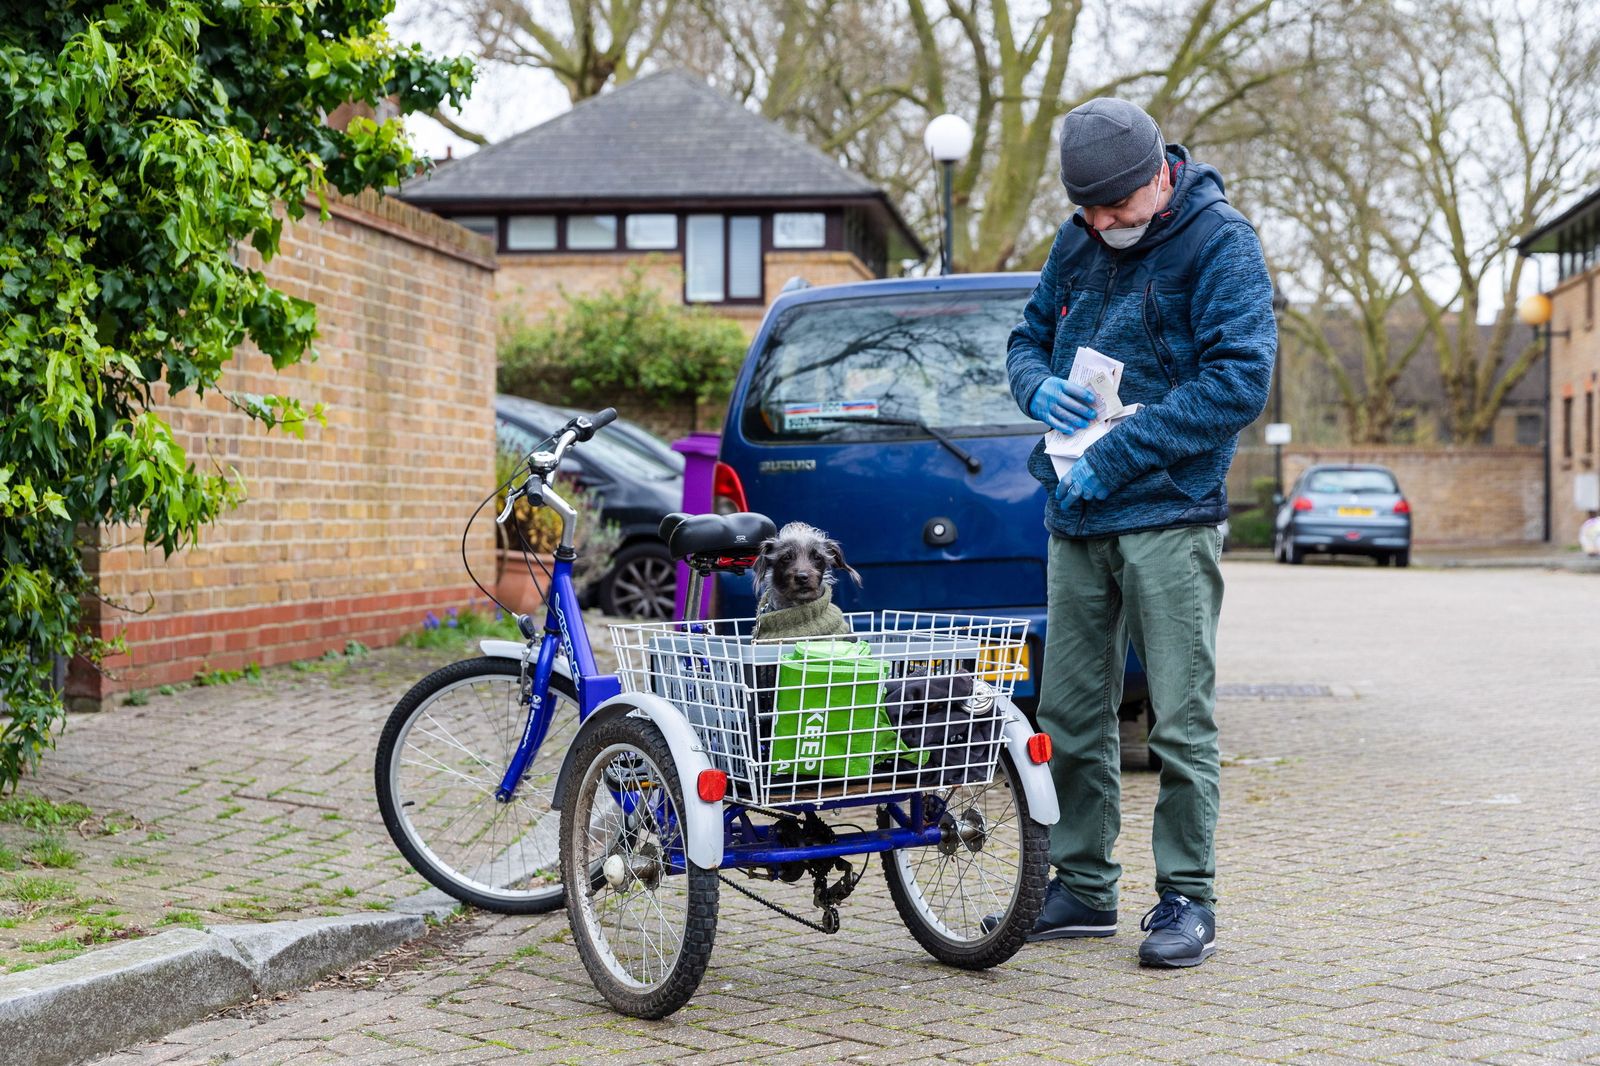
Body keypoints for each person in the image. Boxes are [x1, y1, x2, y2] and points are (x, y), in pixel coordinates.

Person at [1004, 97, 1276, 967]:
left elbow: (1238, 381)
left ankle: (1186, 898)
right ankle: (1083, 887)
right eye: (1088, 209)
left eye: (1116, 207)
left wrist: (1119, 454)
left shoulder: (1220, 242)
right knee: (1069, 711)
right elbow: (1027, 337)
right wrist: (1033, 386)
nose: (1102, 224)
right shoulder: (1076, 239)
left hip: (1169, 511)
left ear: (1162, 173)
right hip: (1076, 512)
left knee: (1178, 718)